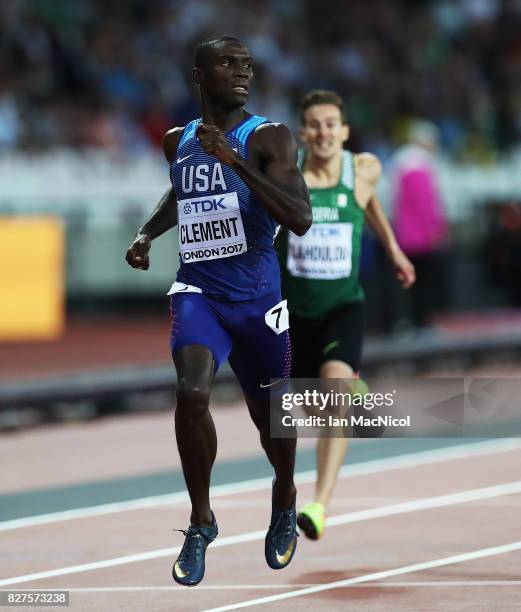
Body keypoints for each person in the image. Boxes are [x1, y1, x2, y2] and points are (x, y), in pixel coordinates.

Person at [125, 36, 311, 586]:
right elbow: (181, 195)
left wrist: (234, 161)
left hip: (257, 299)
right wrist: (147, 233)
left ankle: (284, 495)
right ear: (199, 76)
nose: (242, 73)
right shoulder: (178, 141)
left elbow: (299, 218)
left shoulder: (270, 138)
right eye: (229, 64)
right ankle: (202, 520)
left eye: (248, 65)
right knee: (193, 391)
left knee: (270, 417)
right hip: (199, 290)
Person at [276, 90, 415, 540]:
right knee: (307, 408)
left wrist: (393, 248)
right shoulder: (285, 175)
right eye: (314, 124)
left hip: (342, 307)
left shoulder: (364, 169)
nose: (322, 132)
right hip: (295, 314)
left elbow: (369, 199)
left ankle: (319, 504)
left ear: (344, 131)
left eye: (331, 124)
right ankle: (353, 390)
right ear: (302, 132)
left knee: (334, 398)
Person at [390, 119, 449, 329]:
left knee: (409, 282)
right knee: (422, 281)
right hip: (420, 237)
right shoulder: (418, 166)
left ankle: (412, 321)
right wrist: (435, 229)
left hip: (404, 234)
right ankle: (421, 322)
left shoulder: (400, 163)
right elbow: (426, 204)